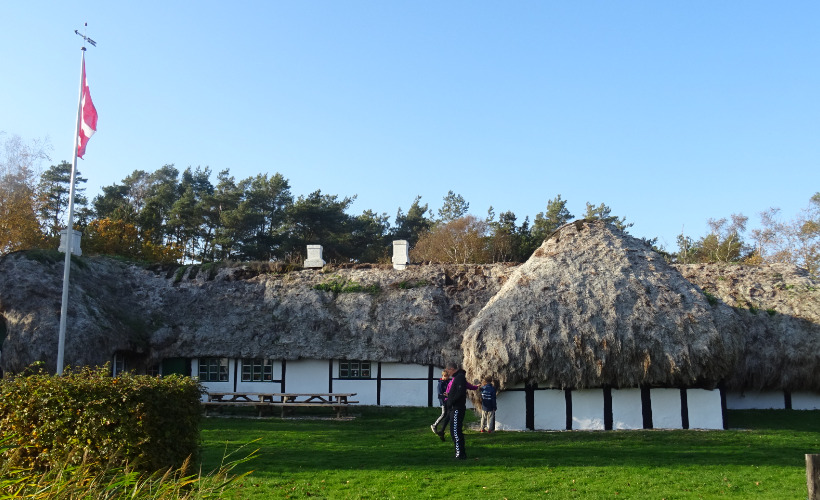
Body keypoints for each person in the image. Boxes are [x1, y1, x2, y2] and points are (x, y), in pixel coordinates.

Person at [444, 361, 477, 460]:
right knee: (453, 431)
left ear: (451, 369)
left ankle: (460, 454)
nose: (448, 373)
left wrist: (451, 401)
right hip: (454, 408)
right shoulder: (456, 378)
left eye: (448, 371)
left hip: (457, 408)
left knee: (456, 431)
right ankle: (459, 453)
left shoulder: (460, 378)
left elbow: (460, 393)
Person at [431, 370, 450, 441]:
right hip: (444, 402)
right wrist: (444, 402)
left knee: (447, 415)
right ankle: (434, 425)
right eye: (446, 376)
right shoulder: (440, 384)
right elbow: (440, 395)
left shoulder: (447, 382)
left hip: (448, 401)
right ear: (443, 376)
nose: (448, 377)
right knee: (444, 414)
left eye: (448, 376)